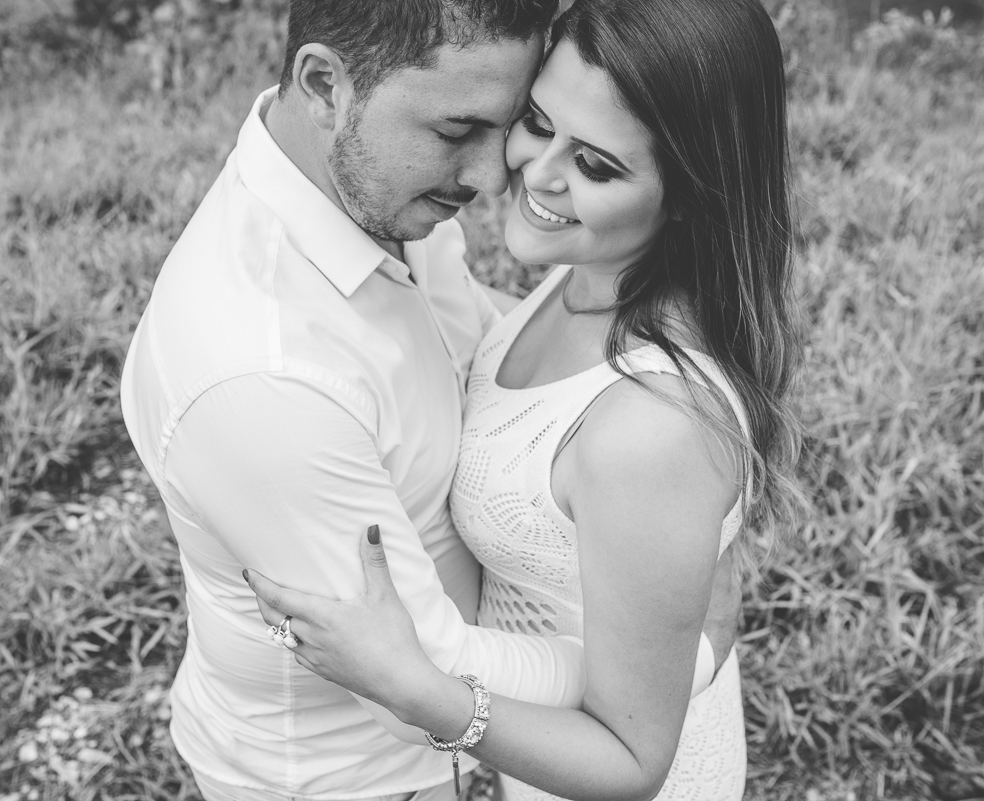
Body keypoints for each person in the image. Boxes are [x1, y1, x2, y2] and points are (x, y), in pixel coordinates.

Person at [243, 1, 801, 800]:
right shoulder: (588, 281)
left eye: (598, 167)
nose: (538, 175)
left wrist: (414, 688)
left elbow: (630, 761)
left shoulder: (652, 427)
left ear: (688, 191)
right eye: (538, 121)